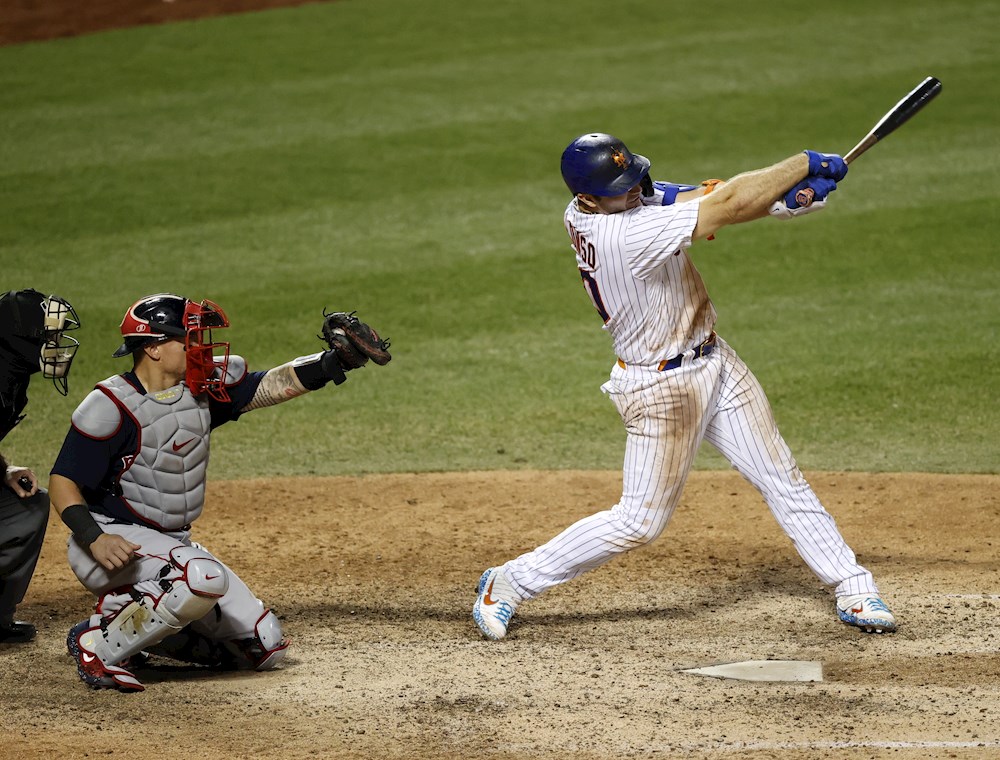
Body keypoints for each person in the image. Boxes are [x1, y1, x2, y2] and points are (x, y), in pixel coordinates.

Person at [473, 133, 896, 641]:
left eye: (633, 178)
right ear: (589, 198)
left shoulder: (604, 204)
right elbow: (728, 204)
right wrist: (803, 165)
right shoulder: (623, 236)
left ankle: (853, 585)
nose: (634, 190)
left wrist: (781, 201)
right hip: (661, 390)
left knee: (780, 476)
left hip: (714, 359)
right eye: (621, 187)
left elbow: (694, 196)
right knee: (639, 522)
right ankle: (510, 581)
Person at [49, 293, 390, 692]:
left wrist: (333, 363)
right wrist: (95, 537)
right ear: (154, 347)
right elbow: (62, 481)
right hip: (113, 542)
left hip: (171, 545)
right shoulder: (110, 406)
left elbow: (267, 386)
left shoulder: (200, 390)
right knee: (202, 577)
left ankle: (138, 632)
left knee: (264, 645)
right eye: (189, 339)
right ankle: (98, 642)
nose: (201, 347)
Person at [0, 289, 81, 643]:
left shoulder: (11, 375)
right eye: (48, 338)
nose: (56, 346)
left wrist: (3, 470)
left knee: (27, 504)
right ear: (19, 340)